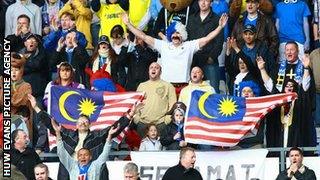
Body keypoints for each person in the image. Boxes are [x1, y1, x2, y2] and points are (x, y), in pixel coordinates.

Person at [122, 12, 228, 85]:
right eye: (173, 33)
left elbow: (207, 39)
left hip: (184, 86)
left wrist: (220, 27)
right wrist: (128, 24)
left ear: (183, 35)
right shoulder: (163, 46)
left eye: (178, 33)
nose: (175, 36)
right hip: (166, 86)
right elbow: (144, 37)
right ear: (169, 36)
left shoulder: (189, 46)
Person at [257, 41, 316, 147]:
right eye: (287, 50)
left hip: (298, 112)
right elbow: (271, 87)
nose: (289, 52)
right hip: (280, 112)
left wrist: (306, 68)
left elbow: (305, 88)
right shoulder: (278, 68)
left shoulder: (304, 67)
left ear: (298, 52)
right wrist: (262, 69)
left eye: (292, 50)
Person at [53, 117, 118, 180]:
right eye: (80, 155)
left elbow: (105, 153)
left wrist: (109, 135)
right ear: (77, 157)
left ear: (90, 157)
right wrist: (58, 133)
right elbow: (61, 153)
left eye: (86, 155)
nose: (83, 157)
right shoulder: (72, 166)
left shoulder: (95, 165)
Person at [187, 0, 224, 94]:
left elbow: (219, 41)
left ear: (211, 2)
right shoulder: (191, 18)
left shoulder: (217, 19)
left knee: (214, 91)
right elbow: (187, 39)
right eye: (201, 0)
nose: (203, 3)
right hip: (193, 60)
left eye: (206, 0)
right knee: (192, 91)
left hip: (209, 60)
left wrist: (211, 57)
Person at [134, 62, 176, 138]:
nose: (153, 69)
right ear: (148, 71)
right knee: (143, 148)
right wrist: (137, 119)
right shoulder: (141, 85)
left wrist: (167, 120)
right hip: (143, 123)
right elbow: (136, 103)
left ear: (160, 72)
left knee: (160, 148)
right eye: (151, 67)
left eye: (156, 68)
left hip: (161, 123)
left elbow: (173, 105)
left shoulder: (168, 86)